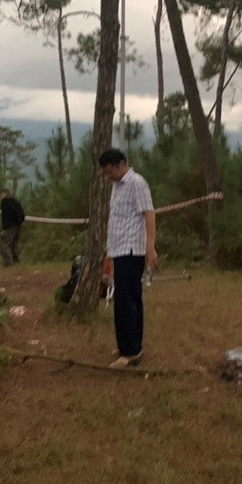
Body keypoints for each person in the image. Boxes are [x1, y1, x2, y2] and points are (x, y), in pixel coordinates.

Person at [99, 149, 158, 369]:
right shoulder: (117, 186)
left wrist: (150, 247)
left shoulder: (137, 183)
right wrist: (110, 250)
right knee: (126, 300)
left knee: (126, 302)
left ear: (122, 164)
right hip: (119, 249)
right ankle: (129, 345)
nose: (109, 176)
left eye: (111, 170)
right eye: (106, 173)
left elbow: (149, 214)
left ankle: (131, 352)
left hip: (132, 251)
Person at [0, 189, 26, 266]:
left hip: (9, 226)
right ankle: (15, 259)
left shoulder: (5, 202)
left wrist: (6, 226)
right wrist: (20, 221)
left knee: (4, 243)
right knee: (14, 243)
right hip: (17, 225)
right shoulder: (15, 201)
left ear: (4, 194)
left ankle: (8, 261)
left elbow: (7, 215)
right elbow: (21, 212)